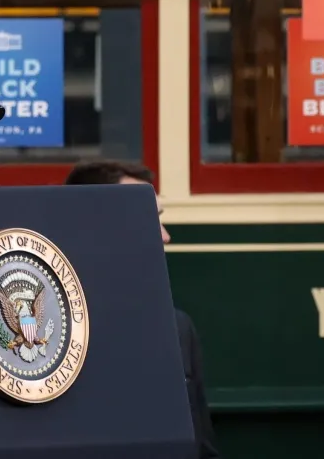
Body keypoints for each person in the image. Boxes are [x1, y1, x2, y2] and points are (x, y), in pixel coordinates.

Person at [65, 159, 219, 458]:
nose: (165, 236)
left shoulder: (178, 328)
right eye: (149, 218)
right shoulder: (51, 338)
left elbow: (203, 447)